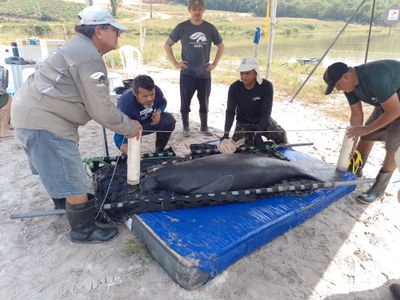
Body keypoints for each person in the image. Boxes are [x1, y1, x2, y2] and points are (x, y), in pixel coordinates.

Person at [11, 5, 142, 243]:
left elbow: (95, 97)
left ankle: (66, 203)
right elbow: (100, 110)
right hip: (44, 120)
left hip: (31, 113)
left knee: (57, 169)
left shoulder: (78, 48)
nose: (118, 35)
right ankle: (83, 230)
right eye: (115, 30)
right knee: (72, 174)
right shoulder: (88, 56)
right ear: (99, 31)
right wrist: (130, 127)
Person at [323, 60, 400, 204]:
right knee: (367, 136)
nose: (338, 89)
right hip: (388, 103)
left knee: (393, 145)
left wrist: (366, 129)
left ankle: (378, 188)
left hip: (395, 106)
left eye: (337, 85)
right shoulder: (350, 88)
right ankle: (355, 168)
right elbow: (356, 114)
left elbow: (395, 110)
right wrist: (354, 142)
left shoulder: (375, 77)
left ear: (345, 77)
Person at [164, 0, 224, 136]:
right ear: (189, 10)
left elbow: (221, 46)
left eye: (199, 9)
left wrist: (214, 64)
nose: (197, 12)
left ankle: (204, 126)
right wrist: (175, 63)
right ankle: (186, 127)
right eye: (194, 9)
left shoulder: (210, 28)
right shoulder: (182, 27)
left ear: (204, 10)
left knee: (204, 101)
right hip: (187, 73)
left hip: (204, 73)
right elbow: (167, 45)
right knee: (185, 101)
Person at [221, 56, 288, 149]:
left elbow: (266, 112)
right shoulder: (234, 87)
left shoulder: (266, 86)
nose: (243, 76)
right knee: (239, 146)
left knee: (281, 135)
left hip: (262, 120)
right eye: (242, 73)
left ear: (256, 73)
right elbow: (230, 112)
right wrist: (226, 134)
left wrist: (259, 133)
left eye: (247, 73)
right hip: (243, 122)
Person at [114, 75, 176, 154]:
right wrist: (122, 145)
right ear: (135, 94)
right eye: (145, 96)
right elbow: (119, 129)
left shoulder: (156, 90)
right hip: (133, 127)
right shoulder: (125, 103)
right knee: (130, 149)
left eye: (152, 94)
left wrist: (158, 111)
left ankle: (159, 150)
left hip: (150, 122)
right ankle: (129, 154)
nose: (150, 99)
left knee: (169, 120)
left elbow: (162, 102)